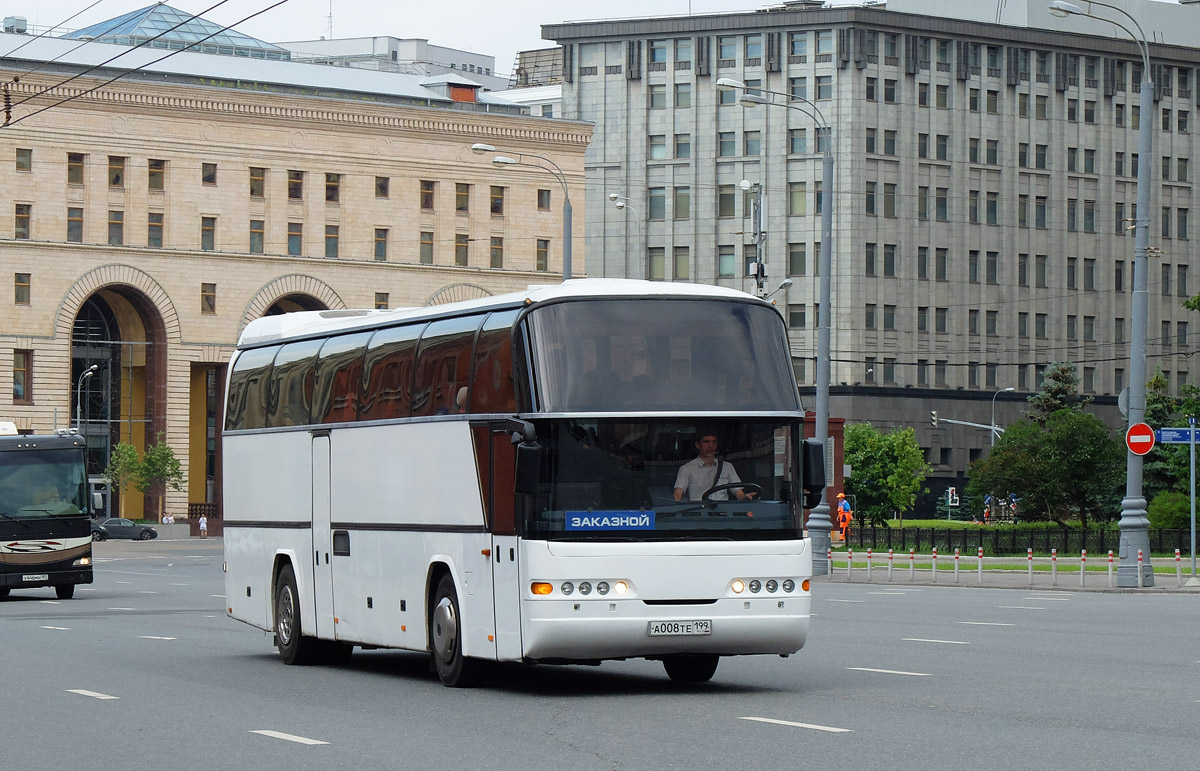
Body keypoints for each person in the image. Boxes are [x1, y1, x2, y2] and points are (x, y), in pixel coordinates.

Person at [673, 431, 755, 502]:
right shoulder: (687, 469)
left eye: (714, 442)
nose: (711, 446)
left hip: (723, 514)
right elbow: (678, 493)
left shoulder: (728, 467)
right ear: (698, 445)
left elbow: (738, 493)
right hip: (698, 513)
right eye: (706, 442)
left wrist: (745, 497)